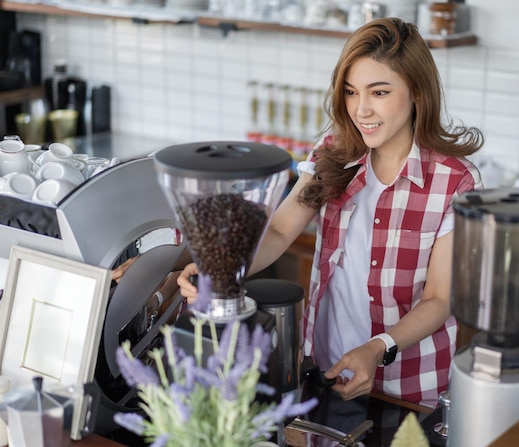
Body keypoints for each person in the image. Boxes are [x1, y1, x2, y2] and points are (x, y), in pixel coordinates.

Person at [177, 17, 484, 408]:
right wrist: (218, 270)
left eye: (379, 92)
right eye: (352, 92)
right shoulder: (336, 151)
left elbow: (439, 299)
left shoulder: (455, 181)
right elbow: (280, 231)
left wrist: (378, 348)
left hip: (408, 387)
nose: (361, 109)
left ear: (418, 92)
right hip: (326, 367)